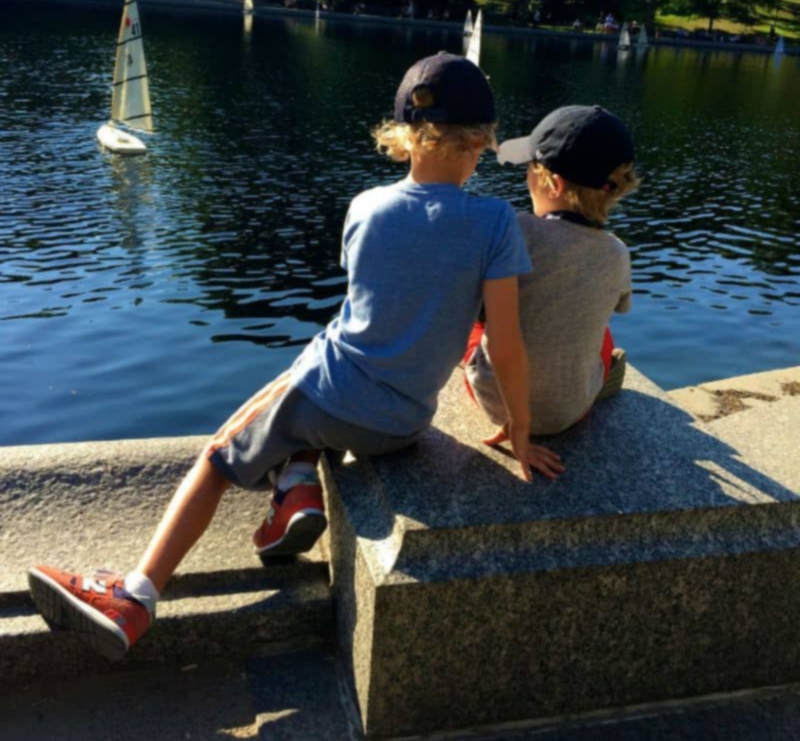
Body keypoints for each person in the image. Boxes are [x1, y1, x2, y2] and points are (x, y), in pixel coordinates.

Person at [28, 52, 562, 663]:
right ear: (481, 140)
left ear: (402, 136)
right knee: (309, 412)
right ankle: (298, 486)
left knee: (218, 456)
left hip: (335, 390)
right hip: (406, 421)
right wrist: (520, 432)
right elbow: (505, 340)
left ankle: (136, 594)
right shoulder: (496, 221)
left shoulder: (367, 207)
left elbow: (367, 309)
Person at [464, 105, 639, 441]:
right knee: (601, 333)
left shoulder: (514, 231)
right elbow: (619, 306)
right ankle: (599, 376)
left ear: (554, 184)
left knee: (476, 321)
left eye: (530, 168)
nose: (525, 175)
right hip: (571, 412)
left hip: (497, 404)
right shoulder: (617, 252)